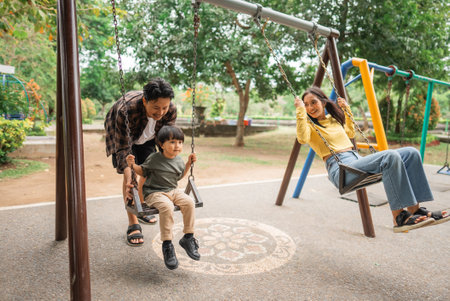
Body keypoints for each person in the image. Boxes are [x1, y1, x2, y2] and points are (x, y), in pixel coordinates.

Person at [295, 86, 449, 233]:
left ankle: (415, 209)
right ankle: (398, 218)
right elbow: (302, 139)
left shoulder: (333, 120)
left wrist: (347, 110)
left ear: (323, 102)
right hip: (341, 168)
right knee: (390, 156)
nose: (310, 108)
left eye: (313, 102)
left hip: (355, 160)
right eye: (306, 105)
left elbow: (350, 133)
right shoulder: (308, 125)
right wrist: (300, 111)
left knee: (411, 153)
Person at [105, 78, 177, 246]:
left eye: (164, 107)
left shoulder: (170, 110)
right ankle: (133, 223)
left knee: (149, 170)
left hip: (148, 138)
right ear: (145, 101)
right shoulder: (127, 110)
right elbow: (123, 149)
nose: (160, 113)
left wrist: (168, 167)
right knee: (129, 177)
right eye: (156, 108)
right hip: (124, 137)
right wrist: (129, 176)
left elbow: (166, 141)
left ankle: (141, 207)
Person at [126, 125, 200, 270]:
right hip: (154, 193)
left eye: (179, 142)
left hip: (173, 190)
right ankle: (167, 244)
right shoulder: (154, 159)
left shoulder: (178, 160)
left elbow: (179, 176)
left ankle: (188, 237)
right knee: (167, 207)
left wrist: (188, 164)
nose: (177, 145)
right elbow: (143, 171)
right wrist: (132, 165)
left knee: (189, 202)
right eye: (172, 142)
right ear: (161, 144)